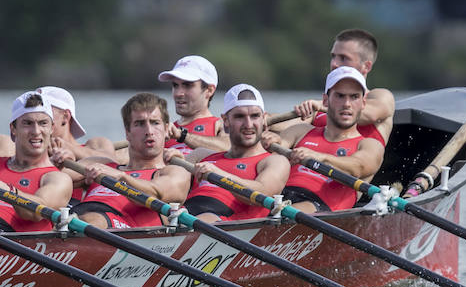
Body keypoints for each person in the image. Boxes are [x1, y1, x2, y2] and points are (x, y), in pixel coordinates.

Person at [263, 66, 385, 214]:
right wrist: (270, 141)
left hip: (317, 208)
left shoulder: (370, 145)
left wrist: (319, 157)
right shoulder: (300, 131)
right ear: (325, 101)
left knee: (288, 210)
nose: (347, 104)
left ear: (363, 103)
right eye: (340, 96)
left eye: (354, 97)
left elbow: (357, 168)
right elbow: (271, 153)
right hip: (277, 198)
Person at [73, 92, 190, 230]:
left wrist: (123, 177)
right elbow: (56, 176)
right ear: (127, 132)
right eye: (140, 124)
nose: (149, 131)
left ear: (165, 129)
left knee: (92, 220)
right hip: (79, 221)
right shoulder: (104, 164)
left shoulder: (175, 172)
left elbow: (155, 193)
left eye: (155, 123)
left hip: (118, 228)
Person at [0, 90, 74, 233]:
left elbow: (35, 212)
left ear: (52, 128)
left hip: (10, 238)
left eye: (43, 123)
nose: (36, 131)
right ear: (13, 129)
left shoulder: (58, 178)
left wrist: (8, 191)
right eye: (28, 123)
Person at [182, 84, 290, 223]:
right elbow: (171, 186)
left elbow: (262, 193)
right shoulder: (202, 155)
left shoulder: (275, 161)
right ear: (226, 120)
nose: (248, 124)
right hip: (185, 216)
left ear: (264, 119)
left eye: (255, 116)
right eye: (240, 117)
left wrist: (218, 174)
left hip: (219, 223)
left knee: (202, 219)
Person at [274, 29, 395, 145]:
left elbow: (371, 114)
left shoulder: (381, 96)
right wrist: (263, 118)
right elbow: (283, 126)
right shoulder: (319, 107)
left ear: (366, 66)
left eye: (343, 58)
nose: (334, 64)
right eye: (333, 56)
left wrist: (324, 106)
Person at [156, 54, 227, 156]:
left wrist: (182, 135)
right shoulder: (162, 131)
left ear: (209, 90)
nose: (178, 93)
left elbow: (230, 147)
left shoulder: (222, 125)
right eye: (175, 85)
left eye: (187, 85)